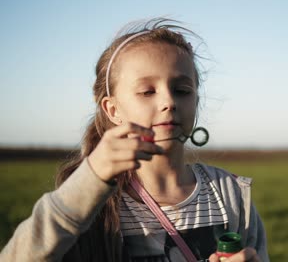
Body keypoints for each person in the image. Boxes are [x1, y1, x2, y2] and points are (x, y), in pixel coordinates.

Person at [0, 18, 268, 262]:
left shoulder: (230, 194)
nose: (168, 102)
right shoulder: (92, 201)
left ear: (196, 100)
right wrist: (91, 179)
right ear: (112, 110)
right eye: (147, 91)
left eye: (182, 90)